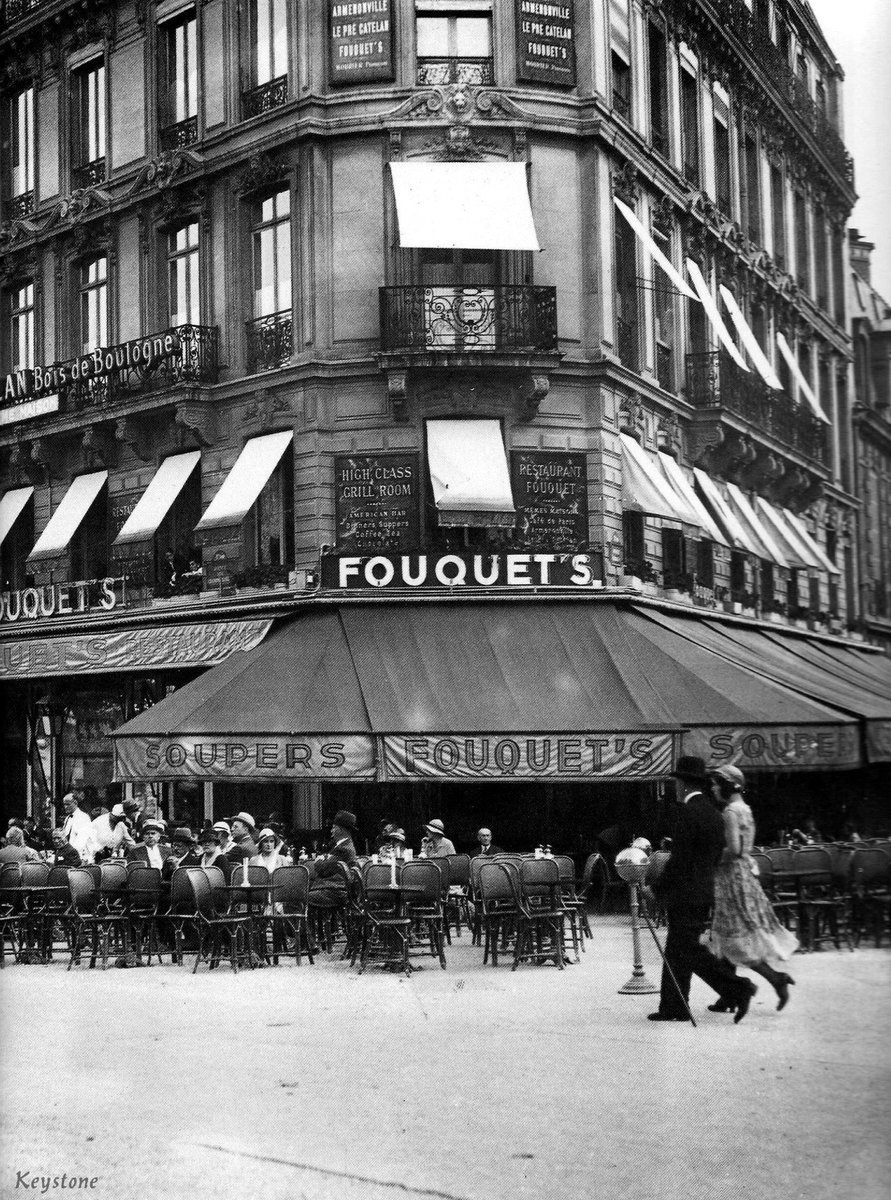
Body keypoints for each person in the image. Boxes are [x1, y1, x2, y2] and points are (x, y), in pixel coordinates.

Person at [648, 756, 758, 1024]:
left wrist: (657, 889)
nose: (674, 787)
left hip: (686, 893)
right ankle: (674, 1006)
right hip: (703, 890)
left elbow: (680, 860)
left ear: (683, 784)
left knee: (686, 950)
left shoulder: (688, 813)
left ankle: (737, 987)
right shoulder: (711, 812)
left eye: (675, 782)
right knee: (677, 950)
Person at [705, 766, 798, 1013]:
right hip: (744, 875)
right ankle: (729, 994)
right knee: (727, 935)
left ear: (726, 785)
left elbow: (734, 849)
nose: (713, 788)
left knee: (731, 935)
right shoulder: (745, 808)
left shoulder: (730, 812)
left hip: (730, 878)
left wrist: (709, 856)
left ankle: (772, 979)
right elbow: (745, 849)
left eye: (716, 784)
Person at [309, 811, 359, 907]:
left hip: (335, 892)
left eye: (333, 827)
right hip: (332, 889)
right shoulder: (342, 846)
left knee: (299, 898)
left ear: (340, 829)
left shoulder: (344, 849)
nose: (331, 831)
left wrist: (318, 860)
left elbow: (323, 870)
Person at [61, 792, 96, 864]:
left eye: (68, 804)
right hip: (68, 856)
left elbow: (82, 840)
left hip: (79, 856)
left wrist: (70, 853)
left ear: (75, 803)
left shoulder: (83, 817)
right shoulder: (68, 818)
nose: (65, 807)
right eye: (64, 804)